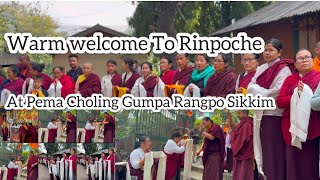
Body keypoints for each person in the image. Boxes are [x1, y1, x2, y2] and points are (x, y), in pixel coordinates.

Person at [247, 38, 294, 180]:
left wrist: (260, 91)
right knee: (263, 150)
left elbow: (279, 90)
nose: (267, 53)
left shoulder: (283, 68)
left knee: (273, 150)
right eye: (265, 50)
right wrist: (261, 91)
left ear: (279, 52)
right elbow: (250, 86)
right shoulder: (261, 68)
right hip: (260, 114)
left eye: (271, 50)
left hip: (274, 114)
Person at [277, 49, 320, 180]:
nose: (304, 60)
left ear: (313, 60)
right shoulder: (290, 79)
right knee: (293, 164)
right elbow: (280, 101)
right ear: (295, 64)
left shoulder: (318, 77)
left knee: (309, 164)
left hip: (312, 126)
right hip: (291, 127)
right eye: (300, 59)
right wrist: (296, 94)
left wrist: (306, 94)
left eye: (307, 57)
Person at [229, 110, 253, 180]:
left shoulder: (248, 124)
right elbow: (233, 127)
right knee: (238, 171)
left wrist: (237, 144)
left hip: (246, 151)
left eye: (239, 113)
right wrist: (229, 115)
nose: (238, 115)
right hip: (240, 150)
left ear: (245, 113)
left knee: (244, 171)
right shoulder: (242, 123)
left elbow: (245, 138)